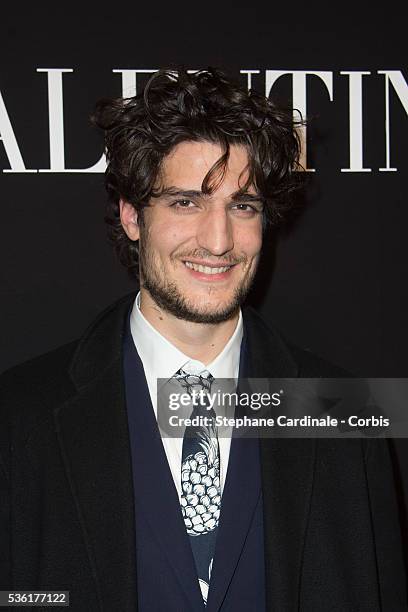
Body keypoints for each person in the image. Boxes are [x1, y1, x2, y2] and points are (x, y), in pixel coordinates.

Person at [0, 68, 406, 611]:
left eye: (243, 206)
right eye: (185, 202)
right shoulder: (20, 415)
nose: (218, 242)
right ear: (132, 216)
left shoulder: (344, 409)